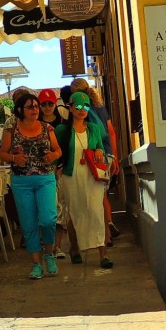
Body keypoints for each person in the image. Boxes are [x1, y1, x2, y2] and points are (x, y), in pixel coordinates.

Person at [0, 91, 62, 279]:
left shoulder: (47, 128)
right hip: (21, 181)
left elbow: (58, 150)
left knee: (49, 218)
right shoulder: (12, 129)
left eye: (36, 106)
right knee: (28, 223)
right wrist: (14, 158)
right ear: (21, 110)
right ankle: (36, 263)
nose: (35, 109)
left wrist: (53, 155)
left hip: (45, 178)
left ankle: (49, 253)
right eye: (30, 107)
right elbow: (2, 153)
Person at [54, 91, 113, 268]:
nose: (82, 110)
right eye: (78, 106)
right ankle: (74, 248)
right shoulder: (62, 130)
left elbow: (101, 148)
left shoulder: (94, 128)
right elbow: (58, 153)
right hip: (71, 175)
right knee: (75, 211)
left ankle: (103, 253)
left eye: (86, 106)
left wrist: (99, 152)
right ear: (70, 108)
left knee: (96, 210)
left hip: (92, 174)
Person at [69, 77, 120, 244]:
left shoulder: (82, 110)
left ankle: (104, 235)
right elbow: (111, 132)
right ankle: (109, 225)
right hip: (107, 155)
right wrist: (114, 157)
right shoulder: (100, 107)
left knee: (95, 196)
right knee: (103, 194)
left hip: (93, 156)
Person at [38, 88, 67, 258]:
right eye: (44, 103)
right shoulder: (36, 124)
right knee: (44, 212)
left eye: (50, 103)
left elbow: (66, 148)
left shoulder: (62, 123)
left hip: (60, 171)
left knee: (60, 210)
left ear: (55, 104)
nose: (47, 106)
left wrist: (61, 165)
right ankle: (46, 245)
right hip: (41, 172)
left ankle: (57, 246)